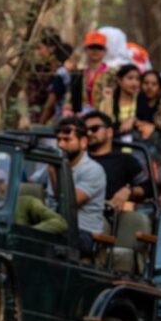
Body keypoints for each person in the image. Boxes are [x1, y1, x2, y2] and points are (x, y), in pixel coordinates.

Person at [52, 117, 107, 257]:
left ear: (83, 142)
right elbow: (30, 182)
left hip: (83, 233)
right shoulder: (56, 162)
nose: (61, 145)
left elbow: (69, 202)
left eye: (67, 140)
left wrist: (53, 172)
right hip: (53, 225)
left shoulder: (94, 170)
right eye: (58, 140)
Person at [84, 111, 149, 210]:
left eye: (94, 129)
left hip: (114, 216)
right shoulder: (79, 159)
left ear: (109, 132)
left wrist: (128, 191)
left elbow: (148, 188)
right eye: (85, 130)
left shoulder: (125, 160)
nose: (89, 133)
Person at [99, 64, 142, 139]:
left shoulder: (141, 100)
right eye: (130, 78)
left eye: (137, 79)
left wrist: (133, 120)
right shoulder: (108, 101)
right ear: (119, 80)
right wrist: (108, 101)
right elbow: (105, 127)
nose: (134, 83)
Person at [78, 30, 113, 113]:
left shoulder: (112, 74)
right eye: (92, 47)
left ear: (105, 51)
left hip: (104, 115)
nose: (95, 51)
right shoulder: (79, 74)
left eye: (99, 48)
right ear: (86, 50)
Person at [136, 70, 161, 139]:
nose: (149, 87)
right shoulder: (135, 101)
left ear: (160, 88)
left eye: (154, 84)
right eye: (146, 83)